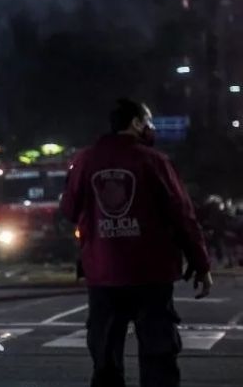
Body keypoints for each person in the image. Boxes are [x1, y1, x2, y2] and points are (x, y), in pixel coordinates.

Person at [60, 99, 212, 387]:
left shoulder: (85, 160)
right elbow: (182, 215)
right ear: (136, 123)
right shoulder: (155, 161)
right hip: (151, 273)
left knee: (105, 356)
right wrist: (201, 263)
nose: (152, 127)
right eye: (149, 121)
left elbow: (68, 209)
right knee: (158, 355)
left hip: (103, 272)